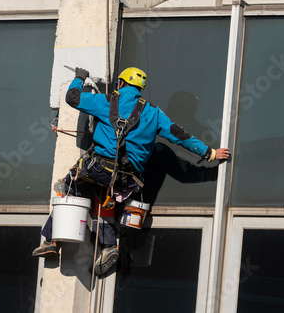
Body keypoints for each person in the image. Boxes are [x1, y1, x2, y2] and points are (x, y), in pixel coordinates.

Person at [32, 67, 231, 276]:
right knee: (104, 197)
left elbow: (72, 98)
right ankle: (108, 246)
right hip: (127, 179)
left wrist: (80, 77)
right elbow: (179, 135)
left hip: (99, 168)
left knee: (71, 184)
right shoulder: (154, 113)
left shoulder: (106, 102)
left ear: (120, 84)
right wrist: (209, 153)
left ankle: (52, 240)